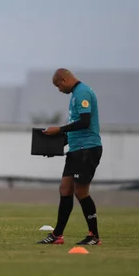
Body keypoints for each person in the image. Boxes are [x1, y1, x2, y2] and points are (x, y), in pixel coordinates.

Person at [38, 68, 103, 245]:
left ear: (65, 79)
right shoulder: (75, 94)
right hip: (76, 149)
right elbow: (75, 128)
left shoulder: (82, 92)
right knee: (65, 189)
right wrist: (55, 147)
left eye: (59, 86)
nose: (59, 90)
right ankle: (57, 235)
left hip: (87, 149)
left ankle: (94, 235)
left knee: (81, 191)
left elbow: (85, 122)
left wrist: (59, 130)